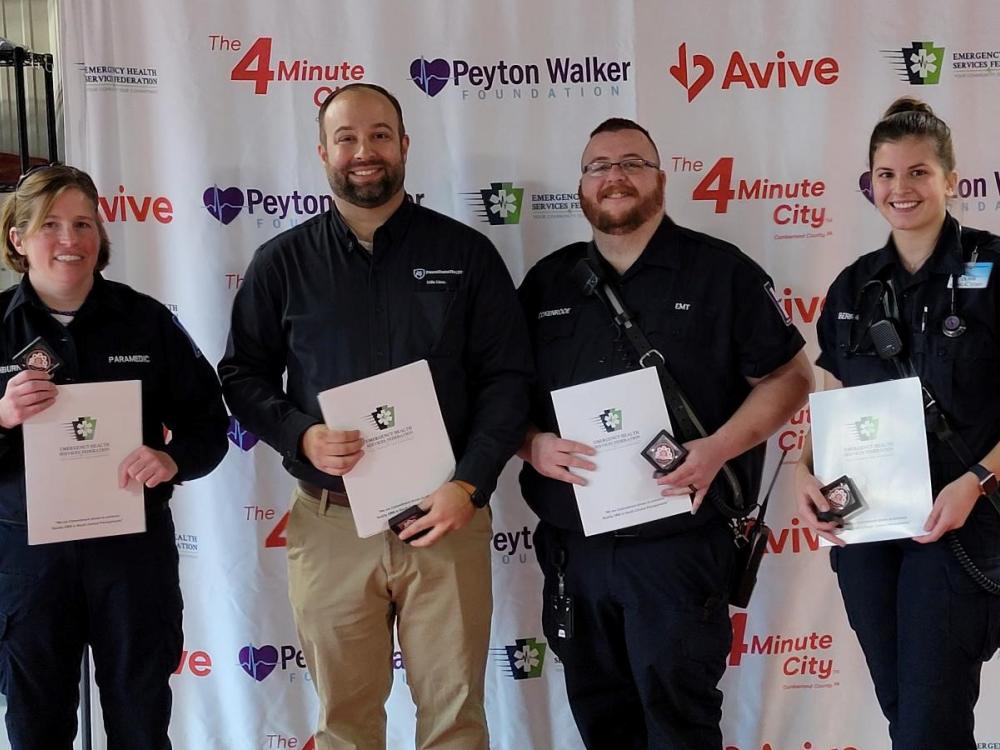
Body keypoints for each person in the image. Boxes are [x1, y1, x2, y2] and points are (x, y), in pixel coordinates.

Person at [217, 83, 532, 750]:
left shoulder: (466, 255)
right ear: (323, 151)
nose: (365, 151)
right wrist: (299, 432)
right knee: (345, 725)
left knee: (455, 722)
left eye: (381, 135)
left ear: (405, 145)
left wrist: (468, 485)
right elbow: (240, 374)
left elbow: (508, 381)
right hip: (331, 523)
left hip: (447, 517)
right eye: (348, 137)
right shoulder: (282, 263)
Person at [517, 118, 813, 749]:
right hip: (578, 550)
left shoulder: (720, 273)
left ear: (660, 179)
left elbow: (791, 378)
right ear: (581, 186)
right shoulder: (547, 282)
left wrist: (718, 449)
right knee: (603, 721)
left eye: (632, 163)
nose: (614, 176)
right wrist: (531, 443)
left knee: (679, 726)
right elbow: (499, 394)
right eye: (598, 166)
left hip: (679, 549)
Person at [0, 164, 228, 749]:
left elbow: (208, 421)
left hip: (131, 558)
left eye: (83, 223)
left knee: (140, 723)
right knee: (34, 726)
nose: (70, 240)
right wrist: (1, 417)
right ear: (18, 239)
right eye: (49, 225)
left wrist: (173, 460)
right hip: (28, 564)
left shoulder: (145, 320)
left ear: (101, 236)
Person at [795, 97, 1000, 749]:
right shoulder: (855, 286)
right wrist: (804, 473)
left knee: (927, 725)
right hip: (867, 534)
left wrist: (976, 481)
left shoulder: (991, 267)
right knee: (907, 717)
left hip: (961, 524)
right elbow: (828, 405)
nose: (900, 188)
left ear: (950, 179)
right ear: (870, 183)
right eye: (886, 174)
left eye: (917, 172)